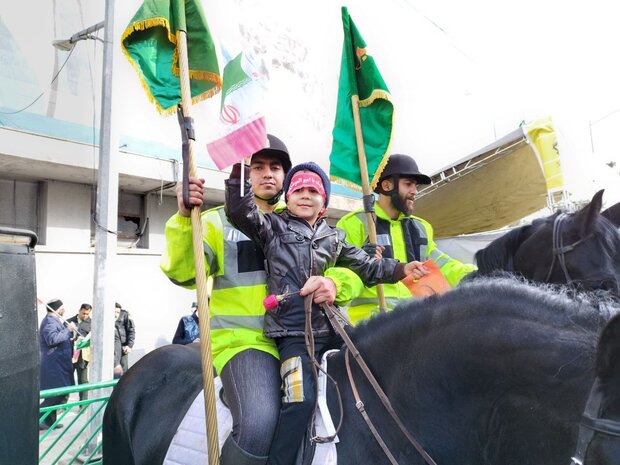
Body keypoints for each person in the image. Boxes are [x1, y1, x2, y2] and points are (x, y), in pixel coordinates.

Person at [161, 135, 362, 465]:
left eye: (276, 167)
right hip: (245, 343)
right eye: (258, 167)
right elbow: (183, 274)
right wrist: (185, 217)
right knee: (258, 424)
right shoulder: (214, 220)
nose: (268, 174)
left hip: (304, 339)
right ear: (246, 172)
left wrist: (335, 283)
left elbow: (349, 272)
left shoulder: (305, 218)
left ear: (287, 176)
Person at [225, 161, 427, 465]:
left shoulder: (335, 237)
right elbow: (240, 211)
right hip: (292, 337)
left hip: (336, 332)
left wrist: (401, 269)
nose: (305, 195)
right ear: (287, 197)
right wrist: (238, 171)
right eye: (298, 190)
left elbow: (368, 267)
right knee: (299, 401)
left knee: (373, 382)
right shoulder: (271, 226)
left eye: (313, 191)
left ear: (324, 202)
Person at [337, 153, 477, 324]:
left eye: (415, 186)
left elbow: (443, 265)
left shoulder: (422, 227)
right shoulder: (354, 223)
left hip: (416, 324)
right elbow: (344, 273)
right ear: (387, 186)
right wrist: (351, 272)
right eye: (408, 184)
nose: (415, 191)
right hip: (371, 328)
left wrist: (477, 275)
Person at [39, 299, 77, 430]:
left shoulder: (55, 321)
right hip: (53, 366)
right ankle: (37, 418)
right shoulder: (49, 321)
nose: (64, 310)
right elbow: (52, 339)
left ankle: (49, 422)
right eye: (62, 307)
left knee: (58, 393)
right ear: (58, 309)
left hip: (59, 364)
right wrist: (67, 330)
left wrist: (70, 335)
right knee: (55, 394)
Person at [67, 303, 92, 401]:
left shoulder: (92, 323)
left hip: (83, 356)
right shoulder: (69, 321)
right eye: (83, 313)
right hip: (70, 354)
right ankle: (64, 405)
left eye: (87, 314)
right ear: (79, 311)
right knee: (67, 379)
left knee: (83, 380)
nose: (85, 316)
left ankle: (83, 404)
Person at [114, 303, 135, 373]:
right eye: (114, 312)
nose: (116, 314)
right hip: (110, 350)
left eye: (118, 312)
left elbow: (131, 330)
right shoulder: (104, 318)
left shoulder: (124, 315)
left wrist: (129, 346)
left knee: (123, 372)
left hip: (123, 348)